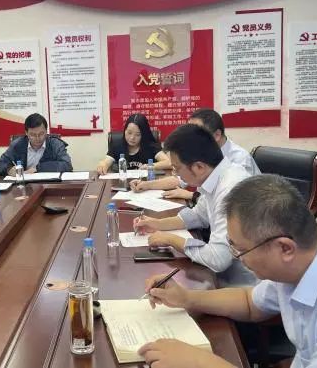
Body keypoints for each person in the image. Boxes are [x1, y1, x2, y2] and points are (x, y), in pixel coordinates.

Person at [139, 174, 317, 368]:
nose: (236, 257)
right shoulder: (300, 262)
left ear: (285, 248)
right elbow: (250, 303)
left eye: (241, 250)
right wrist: (186, 298)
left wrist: (199, 363)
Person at [133, 124, 255, 286]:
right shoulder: (217, 176)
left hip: (242, 284)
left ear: (199, 167)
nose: (175, 173)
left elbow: (218, 258)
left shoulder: (230, 188)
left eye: (177, 168)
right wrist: (156, 224)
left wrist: (171, 239)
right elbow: (198, 216)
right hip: (226, 275)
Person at [130, 108, 259, 200]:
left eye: (196, 132)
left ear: (217, 135)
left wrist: (191, 195)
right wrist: (146, 185)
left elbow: (234, 201)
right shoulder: (200, 153)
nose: (189, 137)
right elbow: (179, 179)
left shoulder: (239, 159)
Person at [0, 113, 73, 176]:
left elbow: (67, 165)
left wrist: (38, 168)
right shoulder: (18, 144)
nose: (37, 138)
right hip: (25, 186)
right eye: (33, 135)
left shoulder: (55, 144)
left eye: (41, 134)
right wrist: (8, 169)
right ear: (26, 133)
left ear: (46, 131)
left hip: (49, 185)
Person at [96, 113, 170, 175]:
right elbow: (106, 161)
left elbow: (169, 163)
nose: (132, 138)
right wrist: (103, 165)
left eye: (137, 134)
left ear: (144, 134)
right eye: (129, 133)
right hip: (122, 183)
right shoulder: (117, 145)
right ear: (125, 130)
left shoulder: (151, 146)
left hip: (146, 184)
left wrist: (150, 166)